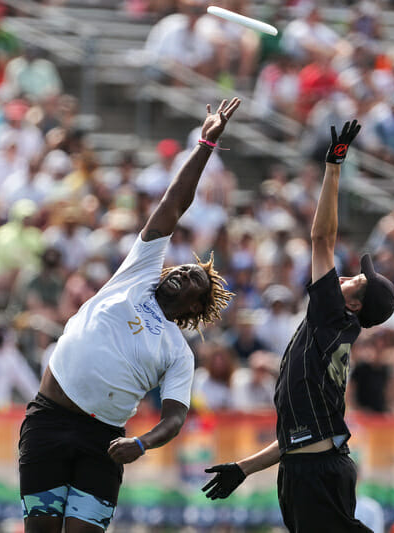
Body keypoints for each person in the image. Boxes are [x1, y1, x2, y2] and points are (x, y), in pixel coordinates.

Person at [18, 98, 240, 533]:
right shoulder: (137, 274)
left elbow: (175, 418)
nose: (180, 273)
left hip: (105, 442)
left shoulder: (177, 351)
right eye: (182, 267)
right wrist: (205, 144)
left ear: (195, 307)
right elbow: (174, 204)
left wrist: (142, 442)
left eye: (193, 279)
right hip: (49, 419)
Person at [201, 120, 394, 533]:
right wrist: (244, 467)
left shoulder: (332, 316)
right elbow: (299, 439)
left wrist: (334, 166)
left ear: (356, 303)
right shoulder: (333, 329)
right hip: (309, 467)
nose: (344, 277)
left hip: (316, 472)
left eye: (355, 281)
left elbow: (322, 237)